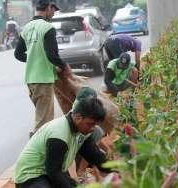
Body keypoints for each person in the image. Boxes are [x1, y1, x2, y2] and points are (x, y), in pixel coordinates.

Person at [14, 97, 112, 187]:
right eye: (90, 124)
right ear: (78, 117)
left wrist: (118, 169)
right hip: (30, 177)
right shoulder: (59, 135)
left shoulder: (82, 131)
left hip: (49, 172)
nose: (92, 128)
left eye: (95, 124)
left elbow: (95, 156)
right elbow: (53, 171)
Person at [14, 0, 71, 136]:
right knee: (44, 124)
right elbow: (52, 55)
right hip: (43, 81)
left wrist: (33, 59)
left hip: (31, 82)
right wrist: (64, 66)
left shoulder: (26, 28)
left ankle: (38, 144)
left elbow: (18, 54)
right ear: (48, 7)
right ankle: (35, 150)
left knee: (42, 117)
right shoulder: (47, 28)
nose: (53, 13)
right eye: (53, 10)